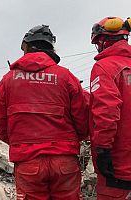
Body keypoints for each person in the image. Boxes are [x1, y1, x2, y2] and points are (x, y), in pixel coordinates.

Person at [0, 25, 89, 199]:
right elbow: (82, 118)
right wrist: (72, 141)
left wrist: (20, 143)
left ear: (27, 46)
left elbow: (0, 123)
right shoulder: (66, 77)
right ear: (51, 48)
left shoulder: (8, 80)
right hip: (64, 160)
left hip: (28, 162)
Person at [89, 16, 131, 199]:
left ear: (102, 41)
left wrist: (102, 150)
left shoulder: (104, 67)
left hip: (118, 168)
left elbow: (107, 111)